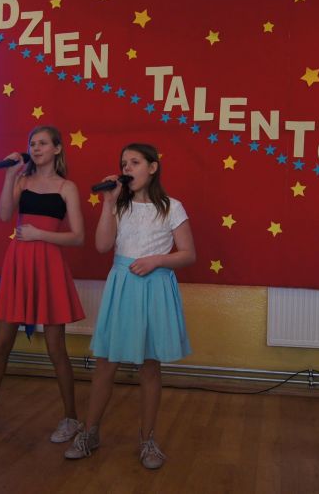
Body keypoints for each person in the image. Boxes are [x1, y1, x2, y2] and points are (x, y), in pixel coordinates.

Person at [65, 143, 196, 470]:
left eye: (135, 162)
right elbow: (102, 245)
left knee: (150, 366)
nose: (127, 168)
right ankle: (90, 432)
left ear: (152, 167)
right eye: (124, 163)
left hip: (154, 287)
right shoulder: (119, 205)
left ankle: (148, 440)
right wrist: (109, 203)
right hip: (122, 286)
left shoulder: (172, 207)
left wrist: (157, 260)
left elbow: (188, 254)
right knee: (105, 363)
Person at [0, 125, 86, 443]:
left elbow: (78, 237)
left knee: (56, 347)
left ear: (57, 149)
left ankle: (71, 418)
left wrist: (39, 234)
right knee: (1, 344)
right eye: (32, 143)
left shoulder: (67, 187)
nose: (36, 148)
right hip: (18, 263)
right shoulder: (22, 181)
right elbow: (4, 214)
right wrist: (10, 177)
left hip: (48, 265)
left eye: (43, 143)